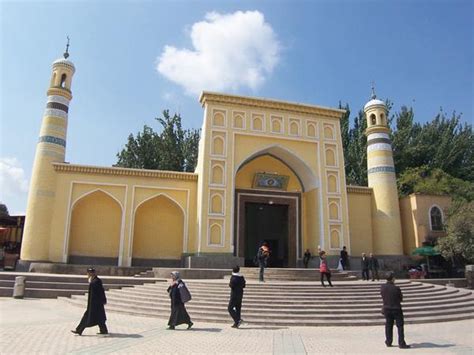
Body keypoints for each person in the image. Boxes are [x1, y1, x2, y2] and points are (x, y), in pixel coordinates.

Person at [71, 267, 108, 336]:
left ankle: (79, 330)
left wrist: (102, 300)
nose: (89, 274)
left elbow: (101, 292)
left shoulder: (96, 281)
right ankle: (79, 330)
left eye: (90, 272)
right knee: (97, 317)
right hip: (94, 303)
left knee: (95, 317)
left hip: (95, 304)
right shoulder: (94, 281)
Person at [380, 273, 411, 349]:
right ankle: (401, 343)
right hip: (396, 308)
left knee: (388, 325)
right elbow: (400, 299)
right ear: (393, 278)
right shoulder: (396, 288)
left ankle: (388, 341)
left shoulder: (382, 287)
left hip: (387, 308)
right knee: (400, 326)